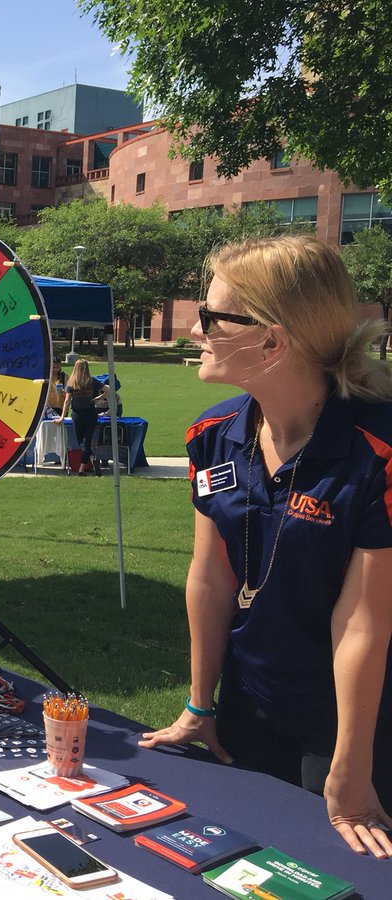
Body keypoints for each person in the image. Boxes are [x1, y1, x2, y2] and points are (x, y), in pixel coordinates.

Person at [138, 235, 392, 859]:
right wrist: (201, 704)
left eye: (210, 317)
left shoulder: (377, 453)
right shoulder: (211, 436)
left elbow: (362, 622)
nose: (195, 331)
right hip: (249, 707)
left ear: (272, 341)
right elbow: (210, 579)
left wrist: (351, 769)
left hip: (349, 728)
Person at [59, 358, 105, 475]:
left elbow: (67, 401)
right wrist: (97, 399)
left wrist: (62, 417)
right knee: (87, 441)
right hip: (91, 413)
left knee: (82, 442)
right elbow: (108, 389)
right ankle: (91, 460)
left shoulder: (71, 383)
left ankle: (81, 469)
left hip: (78, 414)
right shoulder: (92, 381)